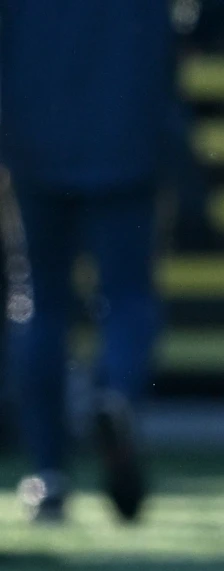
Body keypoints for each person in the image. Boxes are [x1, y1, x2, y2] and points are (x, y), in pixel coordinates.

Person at [0, 0, 173, 522]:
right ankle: (115, 394)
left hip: (34, 122)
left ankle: (49, 472)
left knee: (43, 299)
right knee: (128, 293)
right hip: (129, 121)